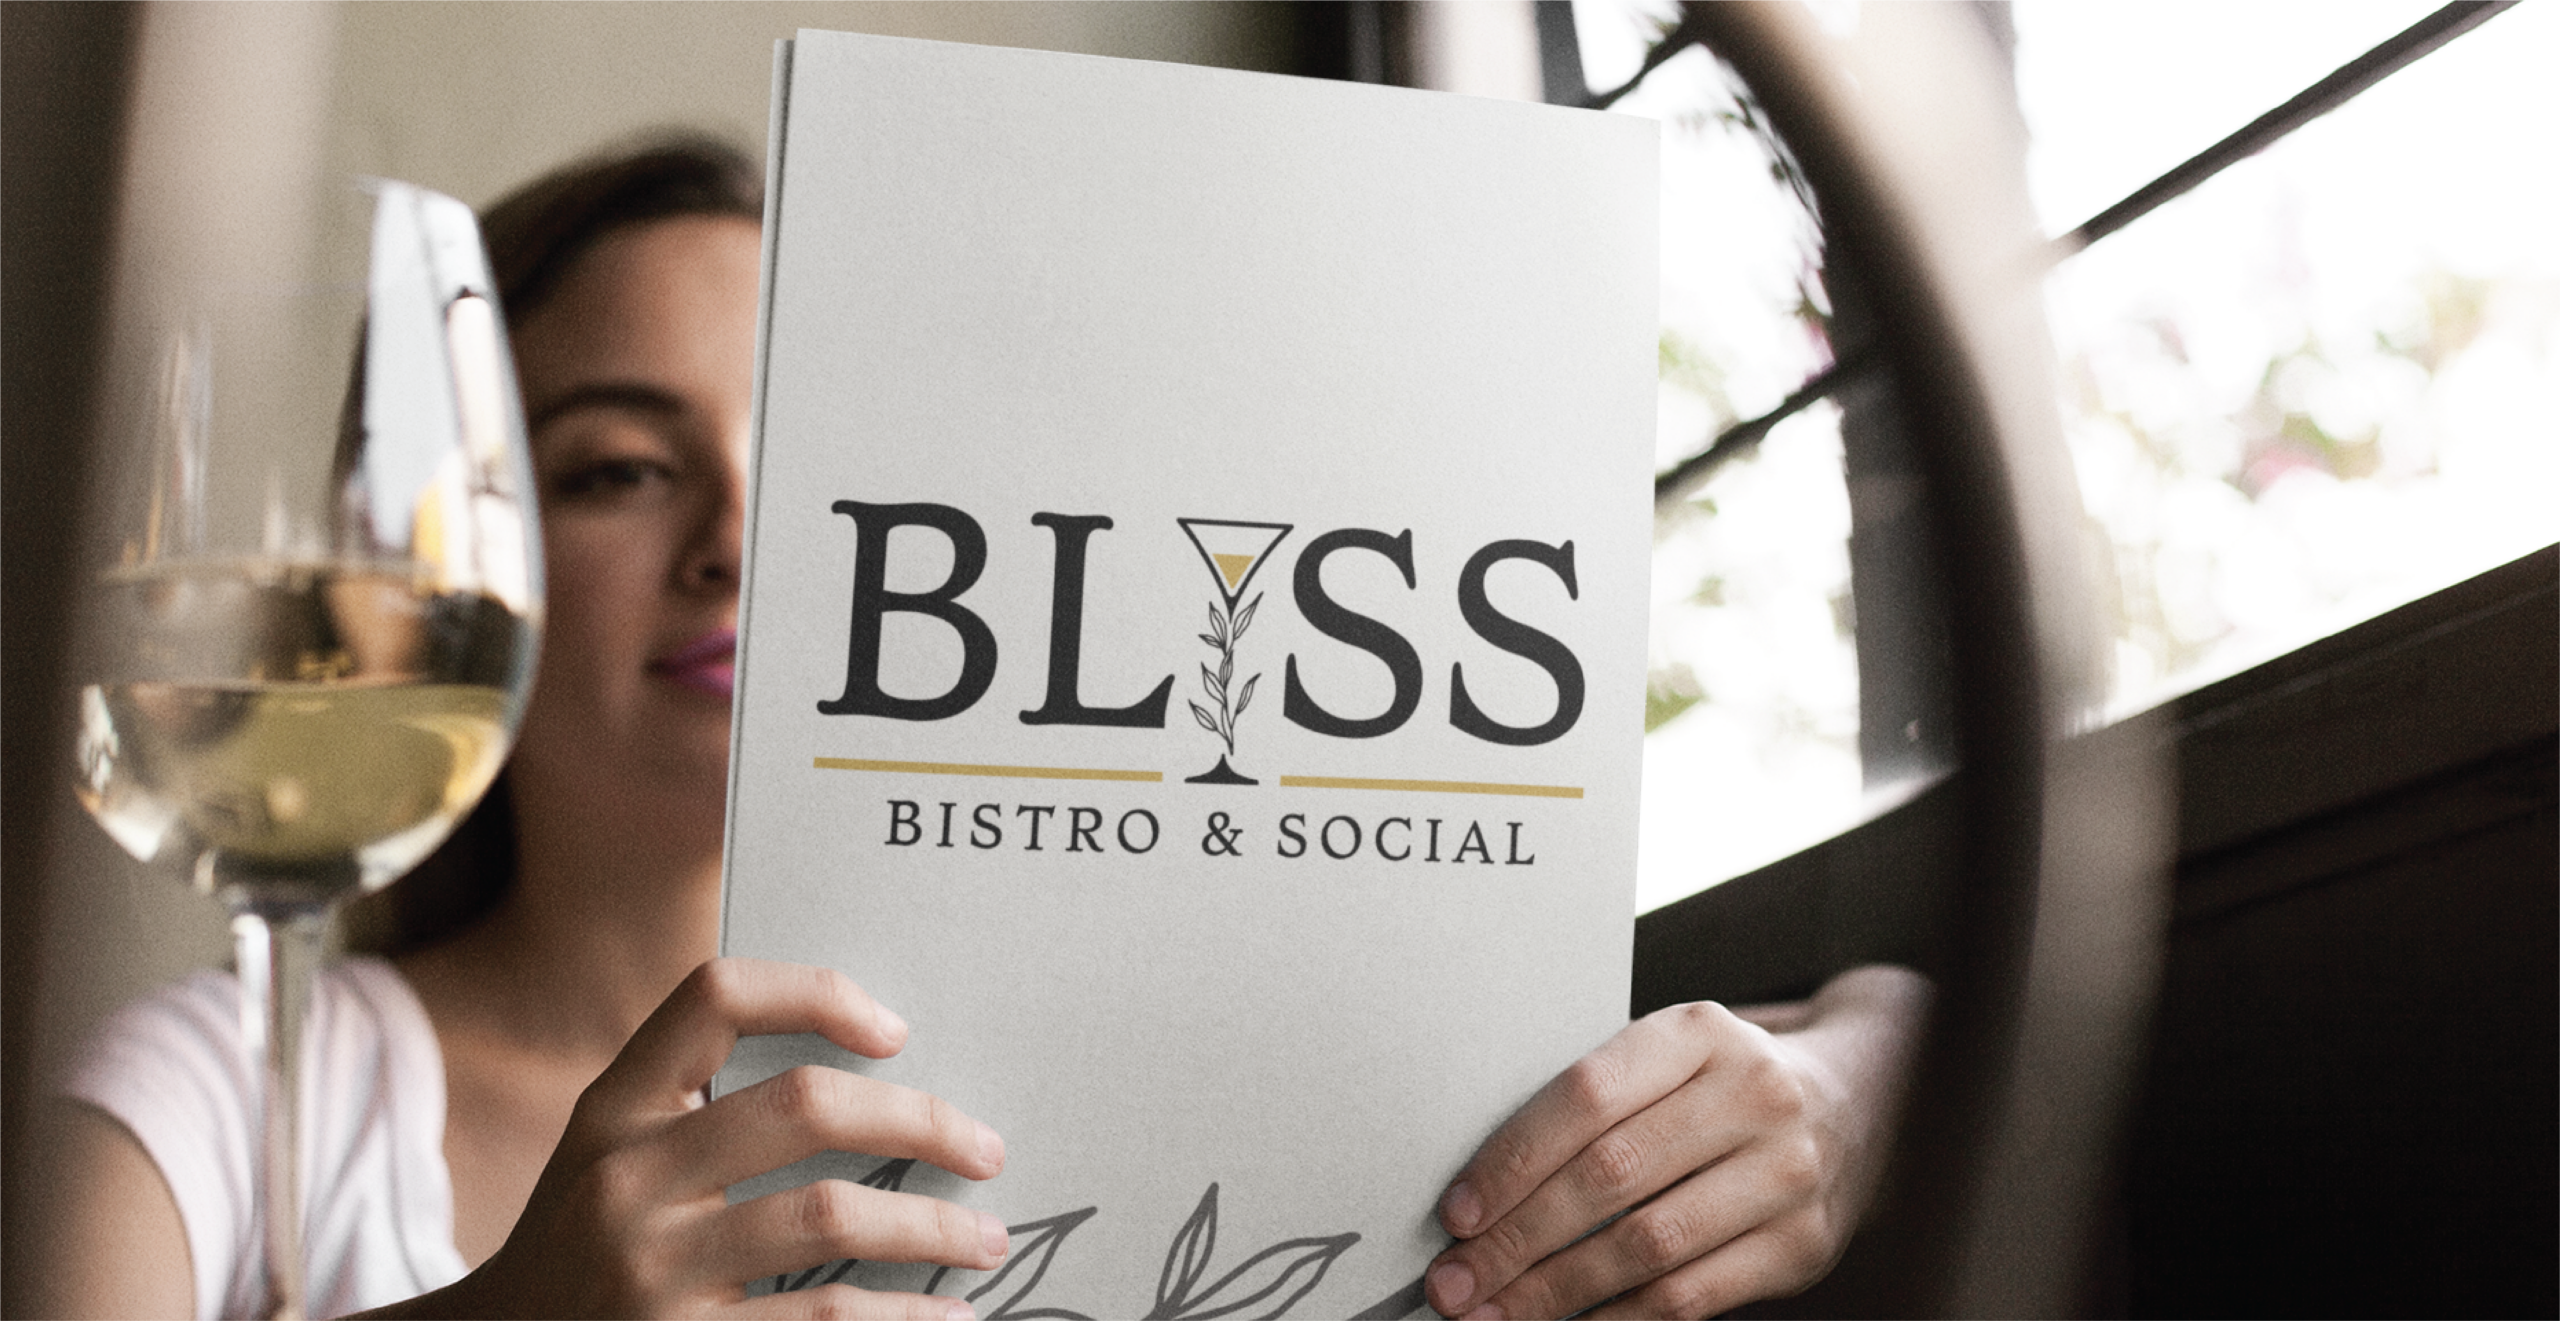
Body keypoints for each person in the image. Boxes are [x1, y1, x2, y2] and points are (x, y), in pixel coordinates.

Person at [37, 137, 1929, 1321]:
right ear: (450, 553)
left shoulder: (1173, 994)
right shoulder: (225, 1095)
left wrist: (1828, 1120)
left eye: (818, 467)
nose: (737, 540)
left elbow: (1893, 1032)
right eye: (616, 466)